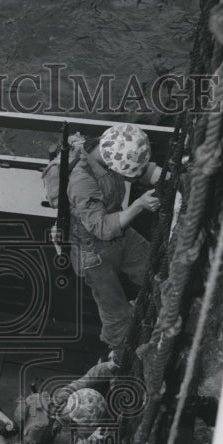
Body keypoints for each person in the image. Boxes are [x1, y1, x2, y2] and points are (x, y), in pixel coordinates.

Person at [67, 123, 162, 356]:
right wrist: (139, 205)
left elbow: (139, 170)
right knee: (115, 312)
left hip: (121, 234)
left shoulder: (110, 149)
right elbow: (100, 227)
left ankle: (165, 314)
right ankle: (119, 355)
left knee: (158, 271)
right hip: (93, 250)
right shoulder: (82, 180)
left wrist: (171, 178)